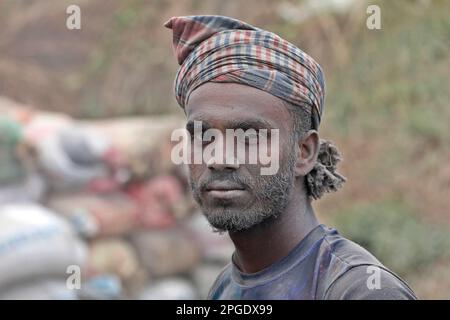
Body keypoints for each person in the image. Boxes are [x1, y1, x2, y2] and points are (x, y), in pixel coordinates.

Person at [165, 15, 417, 300]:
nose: (219, 158)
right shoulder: (225, 287)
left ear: (304, 152)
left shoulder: (359, 291)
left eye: (250, 136)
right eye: (203, 136)